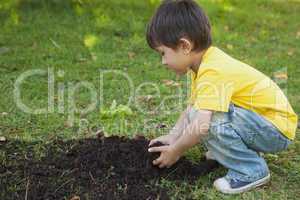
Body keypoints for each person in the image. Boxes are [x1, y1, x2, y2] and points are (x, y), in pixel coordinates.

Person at [146, 0, 298, 194]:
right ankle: (234, 151)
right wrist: (173, 136)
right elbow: (190, 109)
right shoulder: (202, 65)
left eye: (163, 53)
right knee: (198, 112)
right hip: (263, 123)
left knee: (207, 121)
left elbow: (201, 125)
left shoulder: (213, 70)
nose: (163, 61)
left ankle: (251, 171)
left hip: (275, 130)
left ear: (184, 45)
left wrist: (176, 151)